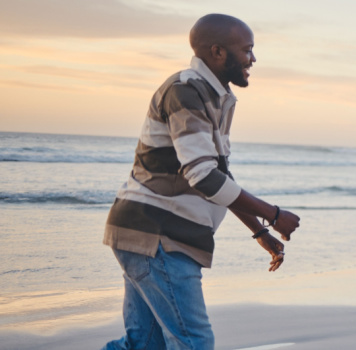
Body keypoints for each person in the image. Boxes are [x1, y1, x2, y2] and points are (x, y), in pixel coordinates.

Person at [102, 14, 300, 349]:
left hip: (150, 233)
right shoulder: (185, 92)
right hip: (159, 236)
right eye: (247, 50)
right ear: (218, 52)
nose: (253, 59)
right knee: (194, 343)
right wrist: (274, 213)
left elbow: (217, 176)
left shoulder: (214, 97)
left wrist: (260, 231)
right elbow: (203, 177)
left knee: (144, 345)